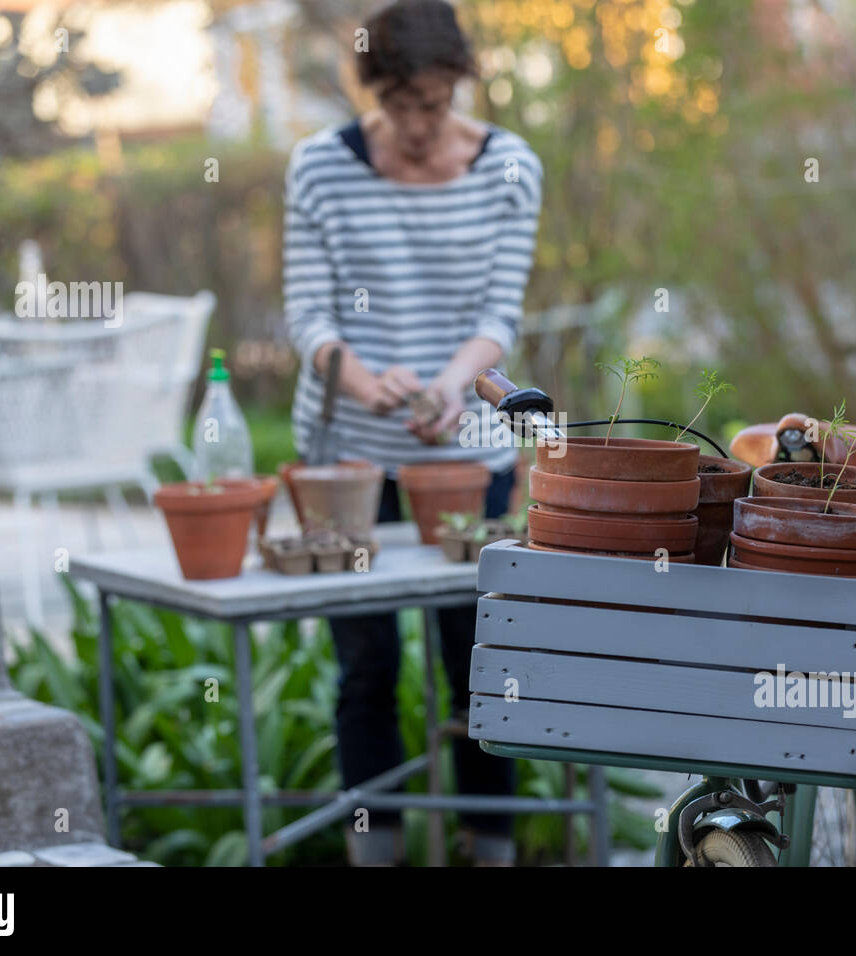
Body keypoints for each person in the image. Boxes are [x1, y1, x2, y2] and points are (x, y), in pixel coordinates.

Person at [282, 0, 542, 865]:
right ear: (372, 91)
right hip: (348, 461)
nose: (420, 126)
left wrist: (442, 386)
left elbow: (498, 315)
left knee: (481, 657)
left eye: (435, 103)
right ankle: (376, 851)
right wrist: (363, 378)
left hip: (469, 453)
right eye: (402, 105)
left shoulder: (510, 166)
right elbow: (307, 314)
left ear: (461, 84)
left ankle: (488, 844)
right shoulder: (321, 167)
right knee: (367, 670)